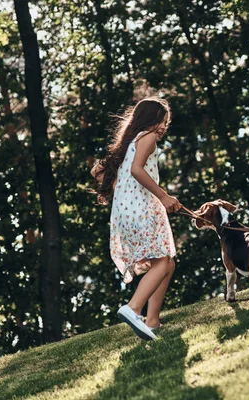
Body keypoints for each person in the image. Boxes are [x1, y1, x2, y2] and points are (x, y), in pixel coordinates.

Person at [91, 97, 181, 340]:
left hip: (127, 212)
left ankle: (152, 322)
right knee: (162, 262)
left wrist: (122, 189)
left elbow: (97, 170)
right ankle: (133, 309)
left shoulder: (129, 143)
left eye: (166, 123)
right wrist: (163, 196)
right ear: (148, 119)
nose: (163, 126)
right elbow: (137, 170)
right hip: (143, 209)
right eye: (161, 121)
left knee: (166, 263)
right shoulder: (147, 137)